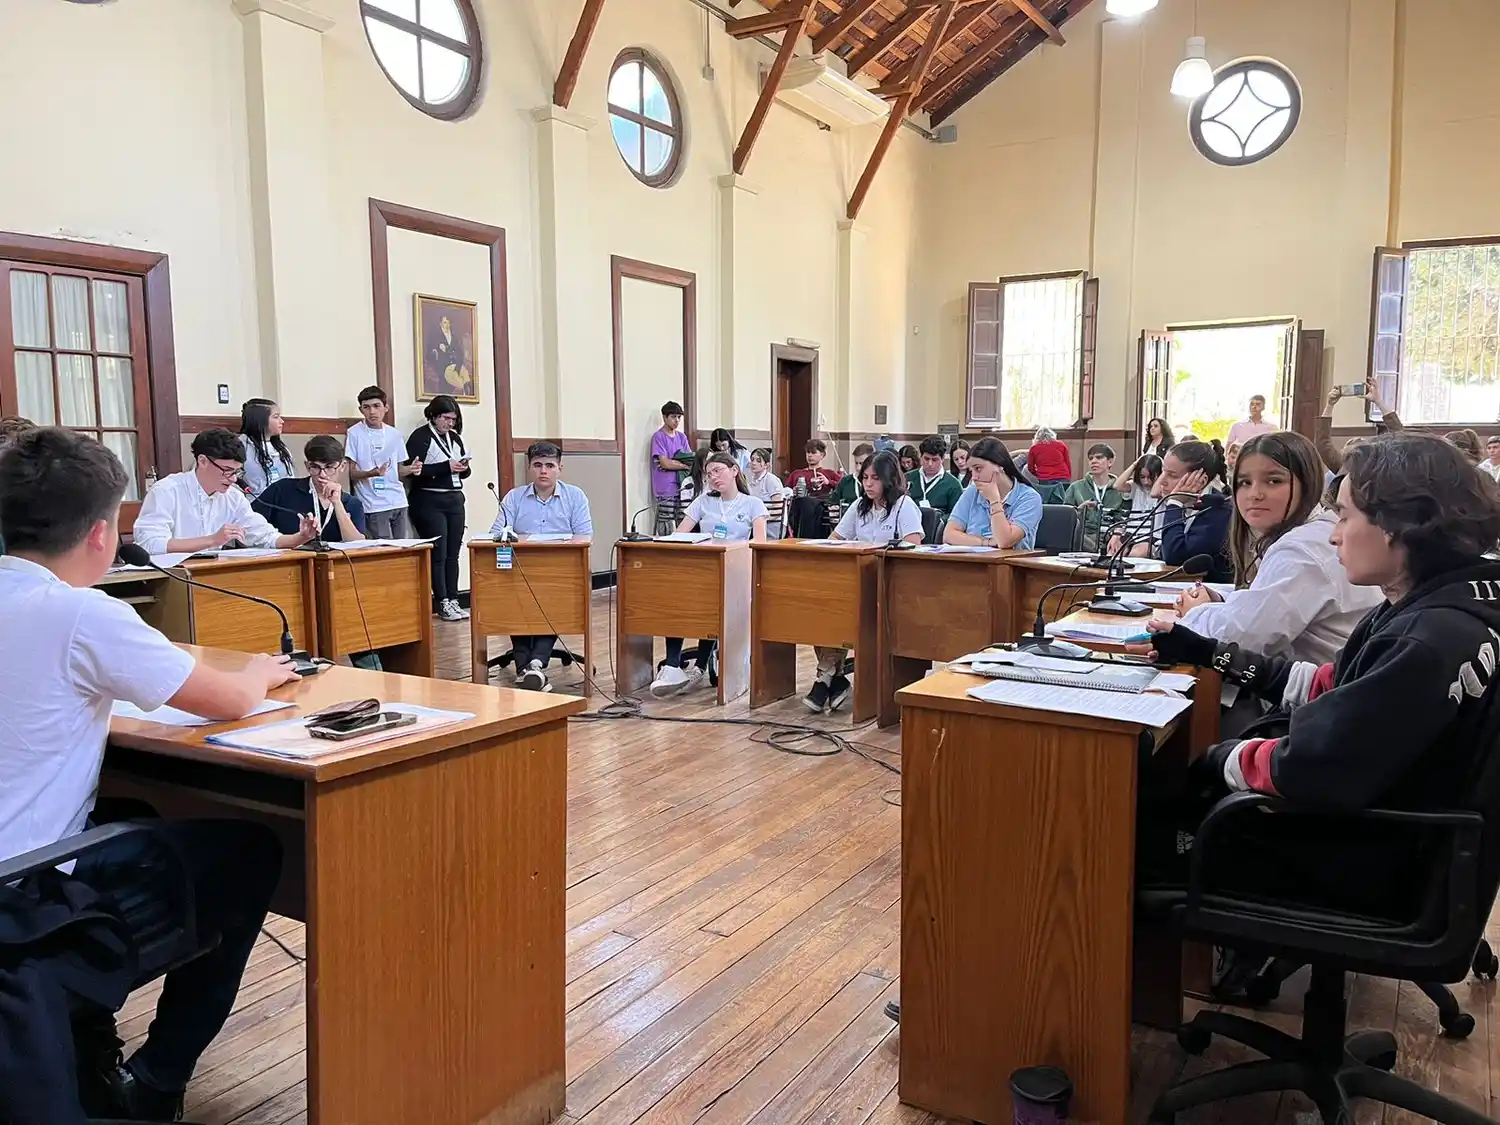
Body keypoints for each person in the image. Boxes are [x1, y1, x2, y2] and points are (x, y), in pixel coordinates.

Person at [0, 427, 299, 1122]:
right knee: (250, 848)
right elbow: (225, 700)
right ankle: (155, 1078)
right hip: (21, 896)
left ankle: (83, 1037)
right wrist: (257, 669)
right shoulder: (79, 613)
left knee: (134, 804)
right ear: (104, 536)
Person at [1135, 433, 1500, 922]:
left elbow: (1308, 765)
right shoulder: (1435, 604)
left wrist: (1215, 760)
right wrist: (1207, 651)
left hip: (1364, 862)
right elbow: (1329, 685)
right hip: (1393, 840)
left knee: (1127, 836)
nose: (1332, 535)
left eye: (1346, 516)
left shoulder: (1425, 640)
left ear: (1400, 525)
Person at [1141, 431, 1381, 668]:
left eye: (1273, 481)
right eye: (1245, 482)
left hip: (1317, 699)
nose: (1254, 494)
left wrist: (1199, 612)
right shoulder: (1309, 531)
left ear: (1307, 483)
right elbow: (1267, 604)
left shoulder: (1303, 548)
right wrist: (1220, 598)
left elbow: (1242, 639)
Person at [805, 451, 922, 713]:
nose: (868, 484)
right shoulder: (860, 507)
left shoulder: (904, 506)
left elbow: (914, 546)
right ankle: (832, 679)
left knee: (843, 609)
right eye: (865, 478)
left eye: (875, 479)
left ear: (889, 480)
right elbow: (835, 539)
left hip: (887, 585)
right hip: (856, 581)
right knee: (820, 607)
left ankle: (826, 677)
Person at [650, 453, 767, 696]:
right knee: (676, 597)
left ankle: (700, 666)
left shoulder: (752, 504)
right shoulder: (703, 502)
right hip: (702, 571)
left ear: (734, 470)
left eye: (718, 471)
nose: (713, 477)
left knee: (714, 601)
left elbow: (760, 543)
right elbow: (679, 536)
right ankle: (672, 665)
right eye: (709, 473)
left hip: (736, 573)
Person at [488, 441, 593, 692]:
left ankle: (532, 665)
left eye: (549, 465)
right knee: (515, 602)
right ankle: (531, 668)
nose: (543, 471)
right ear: (529, 468)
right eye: (537, 465)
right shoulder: (514, 497)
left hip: (561, 573)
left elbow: (585, 537)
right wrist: (514, 537)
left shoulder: (575, 496)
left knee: (551, 600)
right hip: (520, 571)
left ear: (560, 468)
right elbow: (495, 534)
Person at [132, 428, 318, 555]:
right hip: (171, 581)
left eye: (237, 471)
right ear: (202, 461)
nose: (233, 478)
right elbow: (149, 544)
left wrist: (300, 538)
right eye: (227, 470)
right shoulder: (166, 491)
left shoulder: (233, 497)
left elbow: (265, 537)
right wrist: (212, 540)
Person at [1109, 438, 1232, 582]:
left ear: (1201, 480)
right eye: (1163, 472)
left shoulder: (1218, 510)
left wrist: (1175, 503)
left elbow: (1175, 557)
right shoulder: (1184, 503)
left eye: (1172, 475)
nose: (1162, 481)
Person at [406, 394, 471, 622]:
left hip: (454, 498)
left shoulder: (454, 438)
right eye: (445, 418)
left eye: (453, 419)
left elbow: (464, 470)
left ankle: (454, 598)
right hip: (429, 500)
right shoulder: (421, 437)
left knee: (454, 552)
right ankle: (441, 600)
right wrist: (446, 467)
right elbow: (415, 470)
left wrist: (463, 467)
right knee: (439, 553)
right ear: (433, 416)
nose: (449, 423)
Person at [253, 435, 367, 543]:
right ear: (307, 466)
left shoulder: (352, 503)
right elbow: (251, 524)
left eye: (329, 467)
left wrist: (337, 503)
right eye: (315, 467)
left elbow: (357, 545)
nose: (322, 474)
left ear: (342, 466)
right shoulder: (282, 489)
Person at [345, 384, 421, 538]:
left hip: (398, 500)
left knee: (402, 549)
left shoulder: (394, 434)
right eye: (366, 407)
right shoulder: (354, 433)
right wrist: (371, 473)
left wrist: (412, 469)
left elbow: (398, 471)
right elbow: (350, 473)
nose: (372, 412)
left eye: (376, 406)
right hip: (373, 504)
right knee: (385, 550)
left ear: (386, 407)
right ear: (361, 410)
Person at [943, 437, 1044, 550]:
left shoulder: (1029, 498)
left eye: (978, 468)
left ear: (1000, 465)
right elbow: (949, 535)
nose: (974, 477)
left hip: (1011, 565)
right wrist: (986, 542)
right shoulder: (973, 491)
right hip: (973, 562)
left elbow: (1004, 541)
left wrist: (994, 500)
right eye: (971, 471)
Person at [1316, 379, 1403, 483]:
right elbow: (1323, 444)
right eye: (1350, 444)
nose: (1356, 440)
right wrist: (1329, 405)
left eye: (1360, 440)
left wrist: (1378, 401)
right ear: (1345, 454)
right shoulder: (1346, 468)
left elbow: (1401, 440)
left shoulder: (1379, 468)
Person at [1061, 443, 1124, 549]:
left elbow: (1123, 519)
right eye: (1091, 458)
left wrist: (1117, 535)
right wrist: (1080, 509)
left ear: (1110, 461)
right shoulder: (1076, 487)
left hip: (1111, 535)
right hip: (1084, 537)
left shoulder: (1120, 489)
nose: (1093, 461)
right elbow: (1064, 518)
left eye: (1099, 457)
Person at [236, 397, 294, 498]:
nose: (282, 421)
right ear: (260, 420)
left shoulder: (280, 447)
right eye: (276, 417)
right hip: (255, 504)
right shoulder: (241, 446)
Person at [651, 401, 693, 526]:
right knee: (666, 522)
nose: (677, 420)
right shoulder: (659, 437)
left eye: (679, 417)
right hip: (666, 487)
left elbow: (690, 459)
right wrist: (682, 465)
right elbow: (665, 463)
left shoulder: (682, 437)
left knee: (684, 520)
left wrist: (676, 463)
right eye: (673, 417)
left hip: (683, 486)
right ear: (664, 417)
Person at [907, 436, 962, 516]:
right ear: (920, 457)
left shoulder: (953, 485)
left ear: (942, 459)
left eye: (934, 460)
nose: (930, 464)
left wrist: (938, 520)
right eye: (926, 459)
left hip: (939, 526)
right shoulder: (907, 478)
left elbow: (957, 516)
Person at [746, 447, 785, 539]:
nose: (754, 463)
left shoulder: (771, 480)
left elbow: (778, 509)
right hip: (754, 524)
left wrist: (760, 520)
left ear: (766, 465)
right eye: (752, 460)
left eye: (758, 461)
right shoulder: (750, 480)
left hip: (771, 524)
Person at [1026, 426, 1073, 501]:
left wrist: (1038, 474)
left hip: (1045, 479)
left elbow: (1030, 468)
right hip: (1063, 477)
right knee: (1064, 501)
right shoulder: (1061, 445)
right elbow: (1068, 463)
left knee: (1047, 501)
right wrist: (1068, 477)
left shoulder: (1034, 448)